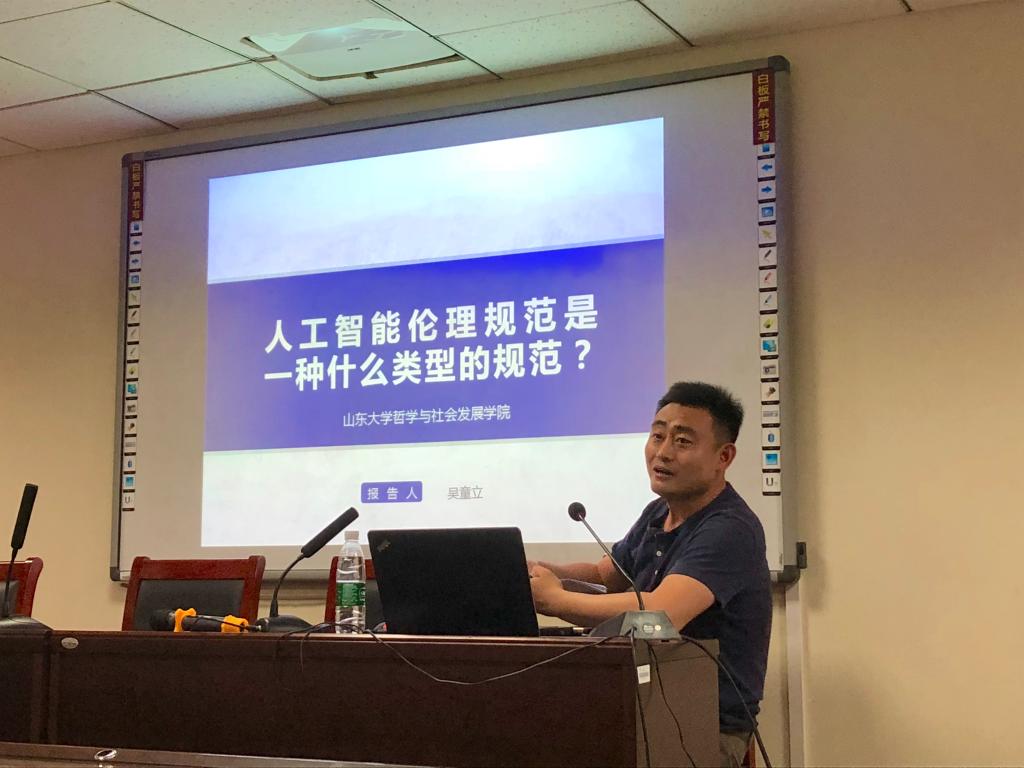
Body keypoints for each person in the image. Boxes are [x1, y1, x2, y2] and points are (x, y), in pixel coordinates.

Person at [529, 381, 771, 767]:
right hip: (636, 704)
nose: (663, 452)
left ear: (723, 456)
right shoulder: (658, 513)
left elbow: (661, 616)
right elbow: (605, 575)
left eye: (682, 441)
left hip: (703, 726)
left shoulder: (730, 528)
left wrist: (556, 600)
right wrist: (539, 571)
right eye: (658, 436)